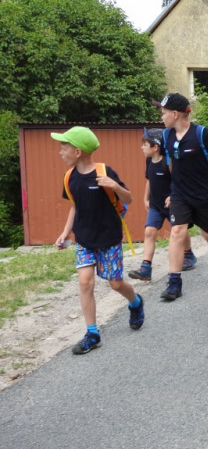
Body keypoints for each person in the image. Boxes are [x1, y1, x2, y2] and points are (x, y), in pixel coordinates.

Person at [51, 126, 144, 355]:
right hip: (84, 239)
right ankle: (92, 333)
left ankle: (135, 302)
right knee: (85, 282)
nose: (60, 152)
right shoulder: (69, 177)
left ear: (77, 151)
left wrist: (115, 186)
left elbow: (129, 199)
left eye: (64, 148)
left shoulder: (104, 172)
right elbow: (75, 207)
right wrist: (65, 232)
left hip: (109, 238)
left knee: (115, 284)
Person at [155, 93, 208, 302]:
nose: (161, 117)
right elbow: (171, 164)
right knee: (177, 232)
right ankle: (174, 283)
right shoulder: (166, 136)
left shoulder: (203, 134)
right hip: (180, 194)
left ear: (175, 114)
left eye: (164, 113)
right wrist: (171, 192)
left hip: (205, 194)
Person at [128, 128, 196, 282]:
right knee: (149, 232)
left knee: (179, 231)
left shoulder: (169, 162)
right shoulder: (148, 160)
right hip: (156, 205)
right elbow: (149, 180)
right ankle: (145, 267)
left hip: (174, 204)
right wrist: (145, 198)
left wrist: (173, 196)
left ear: (155, 147)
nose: (141, 147)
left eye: (145, 144)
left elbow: (179, 181)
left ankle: (188, 254)